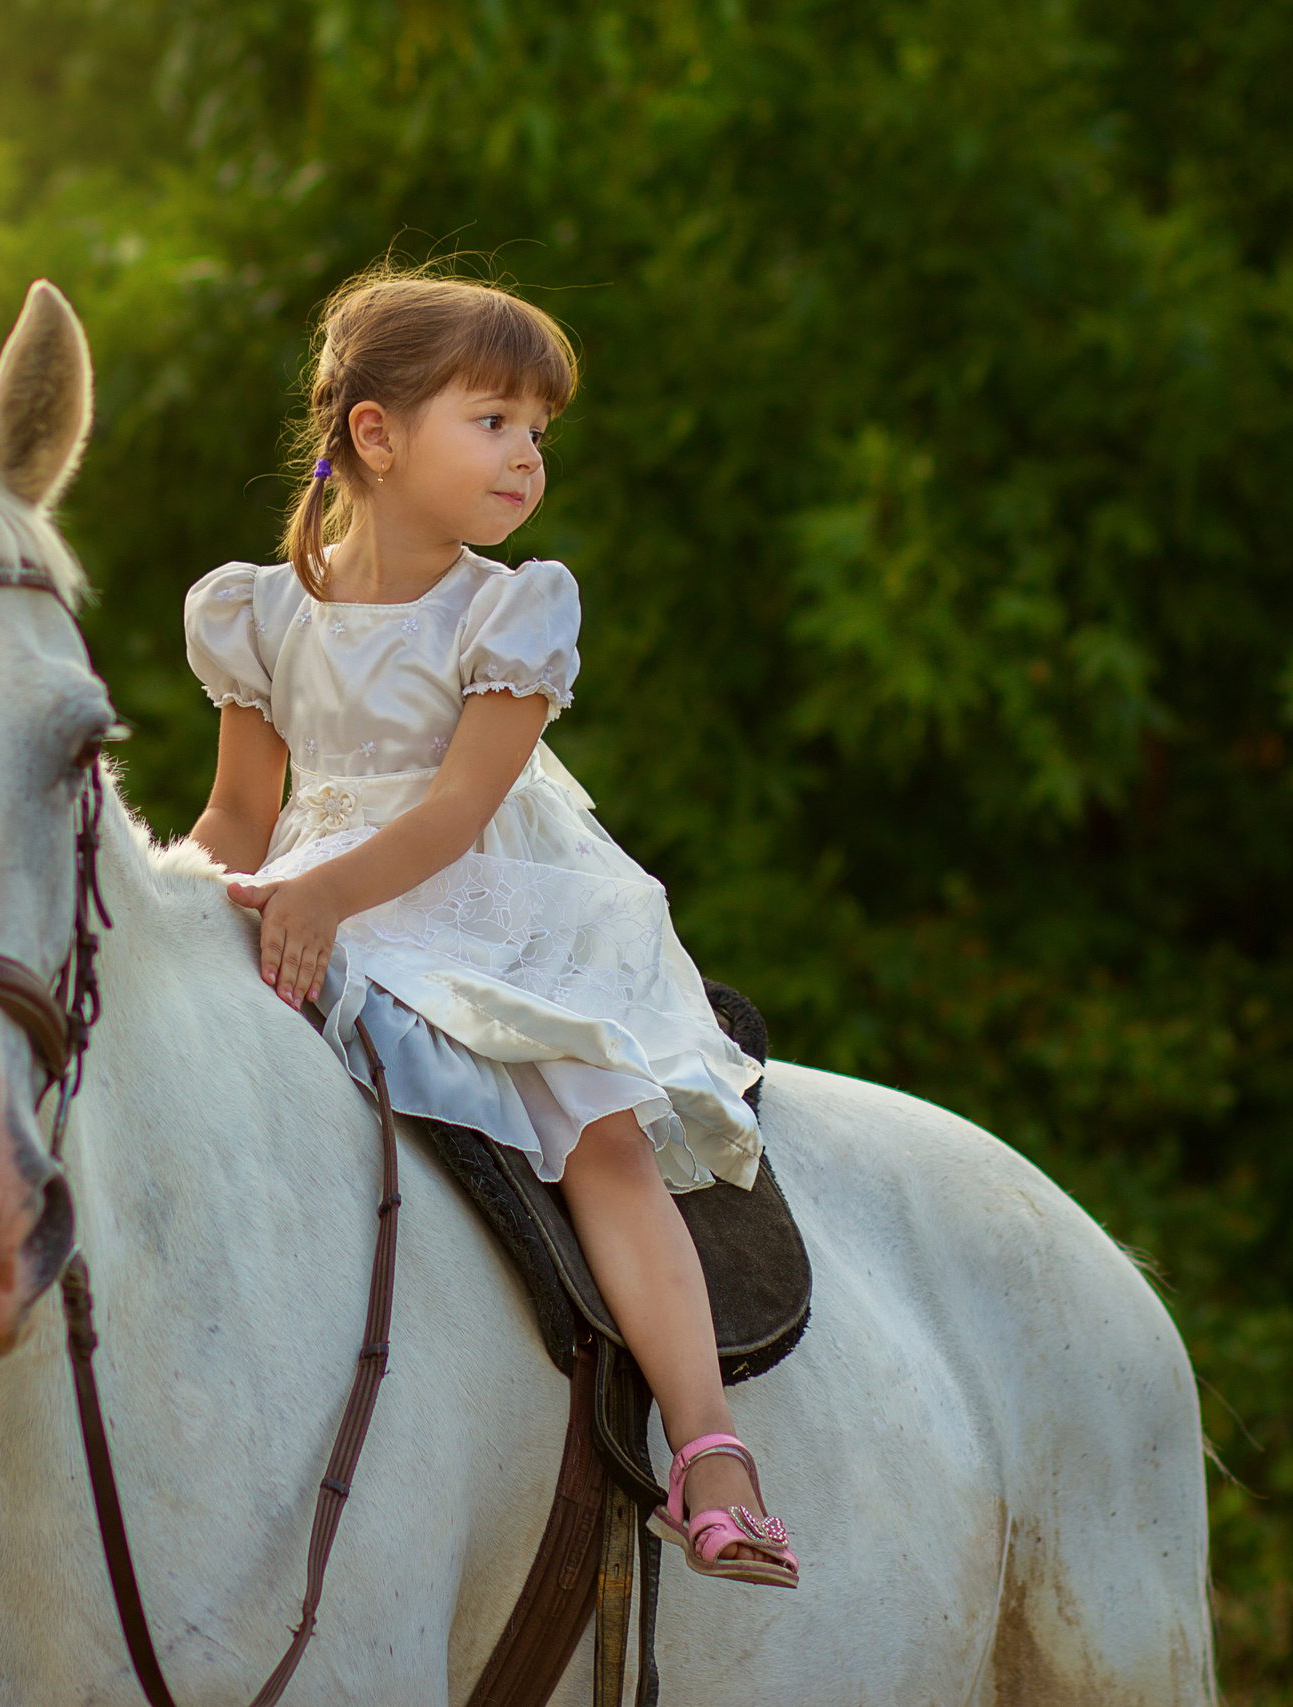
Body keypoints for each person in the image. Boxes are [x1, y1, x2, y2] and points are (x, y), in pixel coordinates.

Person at [182, 267, 797, 1587]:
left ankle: (709, 1449)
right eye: (494, 420)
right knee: (99, 1048)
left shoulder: (509, 607)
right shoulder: (256, 608)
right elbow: (241, 811)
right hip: (311, 894)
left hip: (477, 911)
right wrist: (180, 910)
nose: (526, 454)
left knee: (596, 1129)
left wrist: (325, 896)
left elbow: (464, 807)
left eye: (538, 431)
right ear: (375, 433)